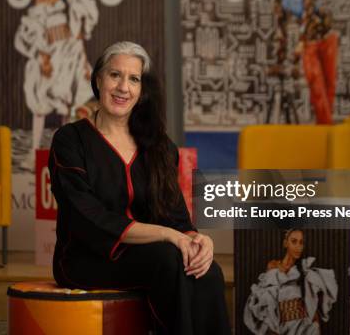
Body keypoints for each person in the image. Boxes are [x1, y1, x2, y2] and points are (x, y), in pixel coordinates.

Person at [49, 41, 231, 334]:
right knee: (168, 259)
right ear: (98, 80)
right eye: (114, 75)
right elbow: (85, 216)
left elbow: (175, 216)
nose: (123, 87)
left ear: (142, 90)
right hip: (87, 257)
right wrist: (166, 235)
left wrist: (198, 240)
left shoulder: (159, 146)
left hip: (149, 254)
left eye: (134, 79)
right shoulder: (70, 140)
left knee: (205, 269)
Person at [15, 0, 98, 170]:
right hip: (49, 59)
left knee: (67, 106)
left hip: (68, 59)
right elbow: (32, 34)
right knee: (40, 106)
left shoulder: (69, 7)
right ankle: (34, 154)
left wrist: (85, 65)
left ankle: (64, 156)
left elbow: (77, 37)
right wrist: (42, 58)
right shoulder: (40, 6)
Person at [272, 0, 339, 124]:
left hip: (327, 38)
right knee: (316, 85)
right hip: (310, 44)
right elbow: (281, 31)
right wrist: (280, 61)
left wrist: (294, 57)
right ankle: (325, 129)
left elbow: (308, 22)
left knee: (329, 86)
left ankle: (325, 127)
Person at [243, 229, 338, 334]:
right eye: (294, 241)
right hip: (281, 327)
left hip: (303, 327)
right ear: (285, 243)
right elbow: (265, 299)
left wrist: (316, 327)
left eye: (301, 242)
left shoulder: (304, 270)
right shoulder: (273, 266)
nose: (299, 246)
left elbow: (312, 305)